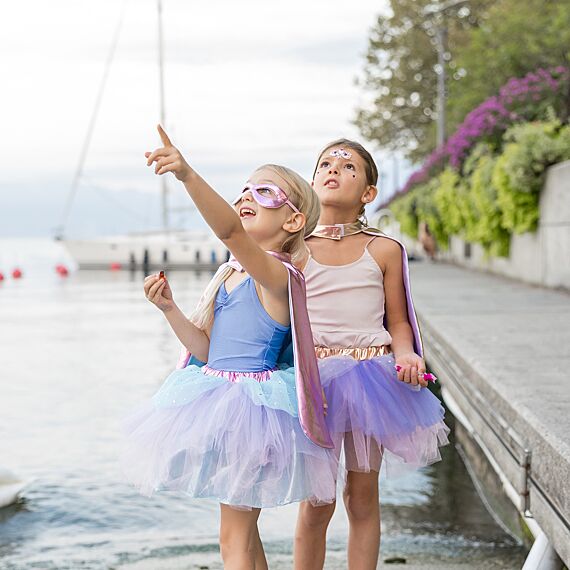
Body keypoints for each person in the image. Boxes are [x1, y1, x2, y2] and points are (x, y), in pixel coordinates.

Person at [122, 125, 337, 570]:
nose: (246, 197)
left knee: (232, 538)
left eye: (264, 192)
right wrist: (170, 309)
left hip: (251, 411)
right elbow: (205, 349)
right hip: (218, 397)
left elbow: (229, 231)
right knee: (243, 534)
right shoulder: (231, 274)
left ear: (293, 221)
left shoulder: (278, 276)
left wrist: (187, 175)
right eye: (244, 189)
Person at [294, 139, 450, 570]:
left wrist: (407, 357)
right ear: (312, 180)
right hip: (316, 384)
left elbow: (398, 322)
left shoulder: (385, 249)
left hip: (370, 380)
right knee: (317, 501)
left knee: (361, 497)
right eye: (325, 163)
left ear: (368, 193)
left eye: (348, 167)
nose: (333, 170)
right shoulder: (295, 249)